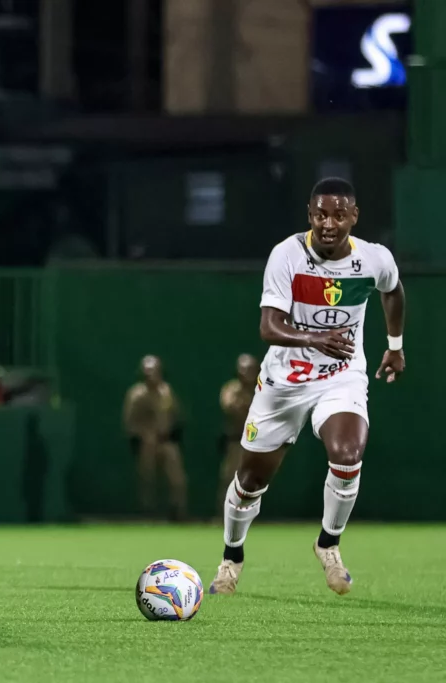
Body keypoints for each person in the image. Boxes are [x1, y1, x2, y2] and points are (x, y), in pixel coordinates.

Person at [209, 177, 405, 596]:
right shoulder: (288, 254)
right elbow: (269, 327)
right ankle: (232, 556)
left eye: (338, 215)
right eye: (320, 215)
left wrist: (395, 346)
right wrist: (316, 338)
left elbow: (393, 291)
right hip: (284, 383)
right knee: (250, 481)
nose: (328, 223)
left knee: (348, 454)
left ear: (354, 216)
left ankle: (328, 544)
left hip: (340, 376)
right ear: (309, 215)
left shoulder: (374, 258)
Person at [122, 355, 187, 521]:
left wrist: (172, 431)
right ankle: (148, 513)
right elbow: (129, 423)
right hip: (147, 443)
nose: (150, 375)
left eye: (154, 371)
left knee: (176, 478)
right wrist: (143, 435)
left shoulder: (166, 392)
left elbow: (176, 414)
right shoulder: (136, 395)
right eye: (147, 371)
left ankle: (177, 512)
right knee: (147, 480)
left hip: (166, 441)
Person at [216, 354, 260, 513]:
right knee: (230, 479)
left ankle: (250, 514)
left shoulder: (261, 389)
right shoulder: (232, 389)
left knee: (255, 481)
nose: (246, 373)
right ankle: (223, 514)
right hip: (236, 441)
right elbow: (230, 407)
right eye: (243, 369)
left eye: (249, 370)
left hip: (257, 443)